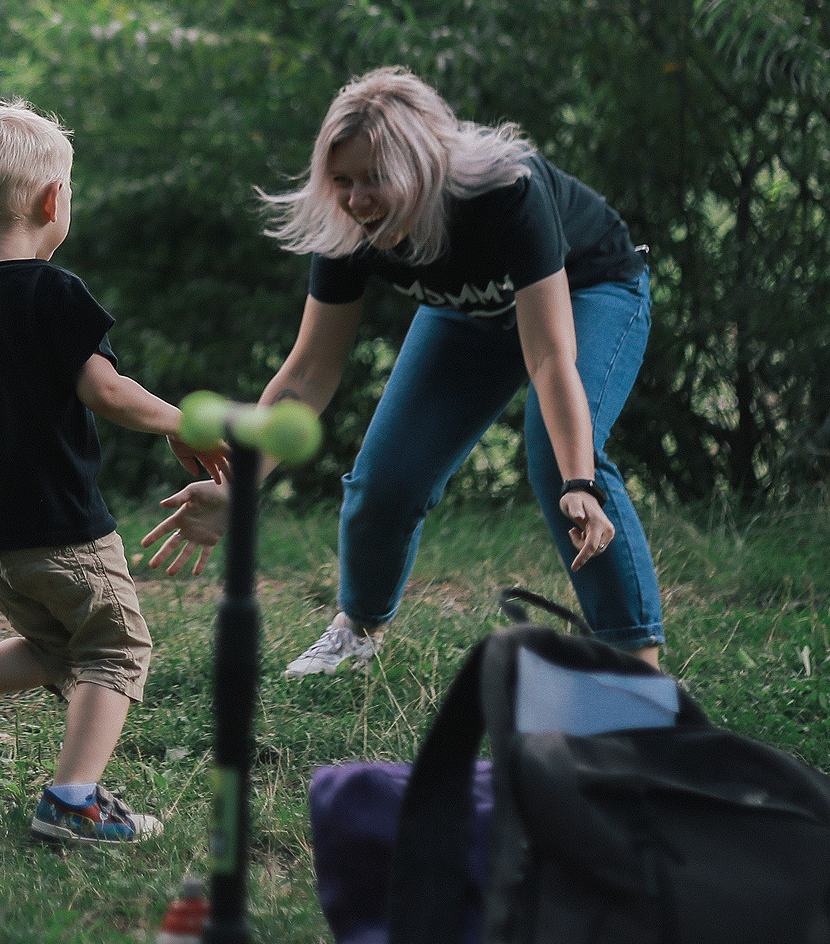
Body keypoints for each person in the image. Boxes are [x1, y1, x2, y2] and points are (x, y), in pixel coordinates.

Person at [143, 67, 664, 674]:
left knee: (561, 460)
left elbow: (549, 357)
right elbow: (308, 373)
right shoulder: (349, 229)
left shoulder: (506, 192)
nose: (357, 199)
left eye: (377, 178)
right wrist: (239, 489)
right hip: (468, 312)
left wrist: (579, 483)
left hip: (587, 291)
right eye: (342, 180)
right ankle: (357, 633)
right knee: (384, 484)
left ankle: (635, 665)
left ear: (424, 166)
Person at [0, 99, 216, 846]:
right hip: (64, 525)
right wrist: (181, 420)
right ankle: (72, 801)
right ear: (52, 200)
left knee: (61, 647)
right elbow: (106, 391)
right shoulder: (54, 290)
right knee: (116, 648)